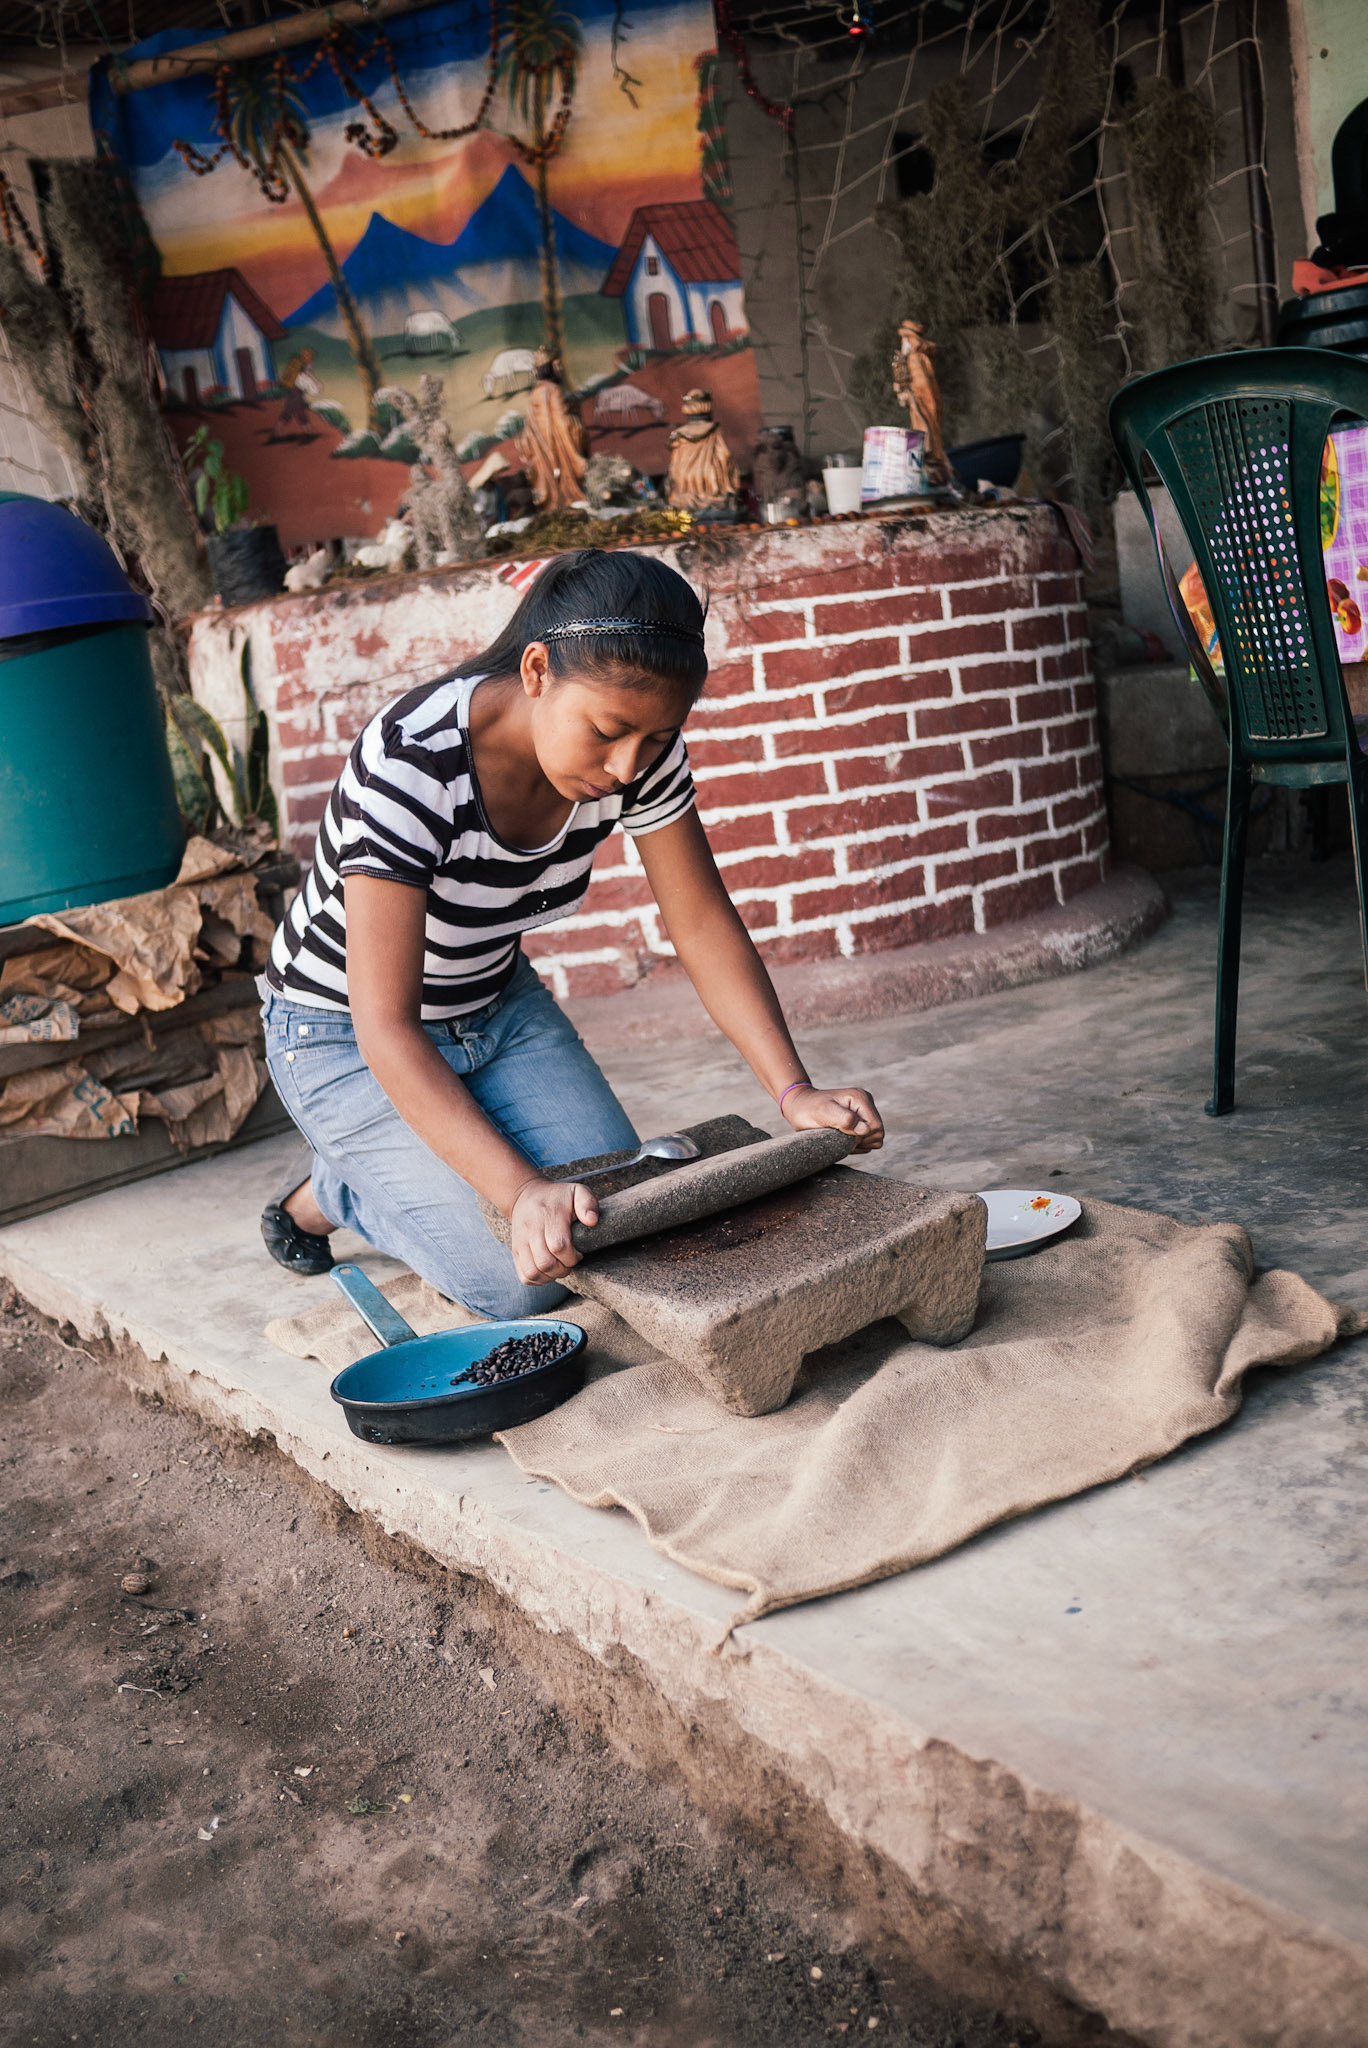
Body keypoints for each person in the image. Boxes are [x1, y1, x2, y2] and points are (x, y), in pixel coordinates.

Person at [259, 548, 883, 1316]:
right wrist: (520, 1191)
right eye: (607, 731)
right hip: (340, 1036)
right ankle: (346, 1184)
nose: (627, 767)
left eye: (653, 740)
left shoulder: (642, 744)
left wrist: (794, 1091)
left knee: (611, 1223)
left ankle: (398, 1161)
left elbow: (699, 920)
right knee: (522, 1281)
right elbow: (383, 1025)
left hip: (496, 1006)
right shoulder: (409, 765)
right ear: (534, 671)